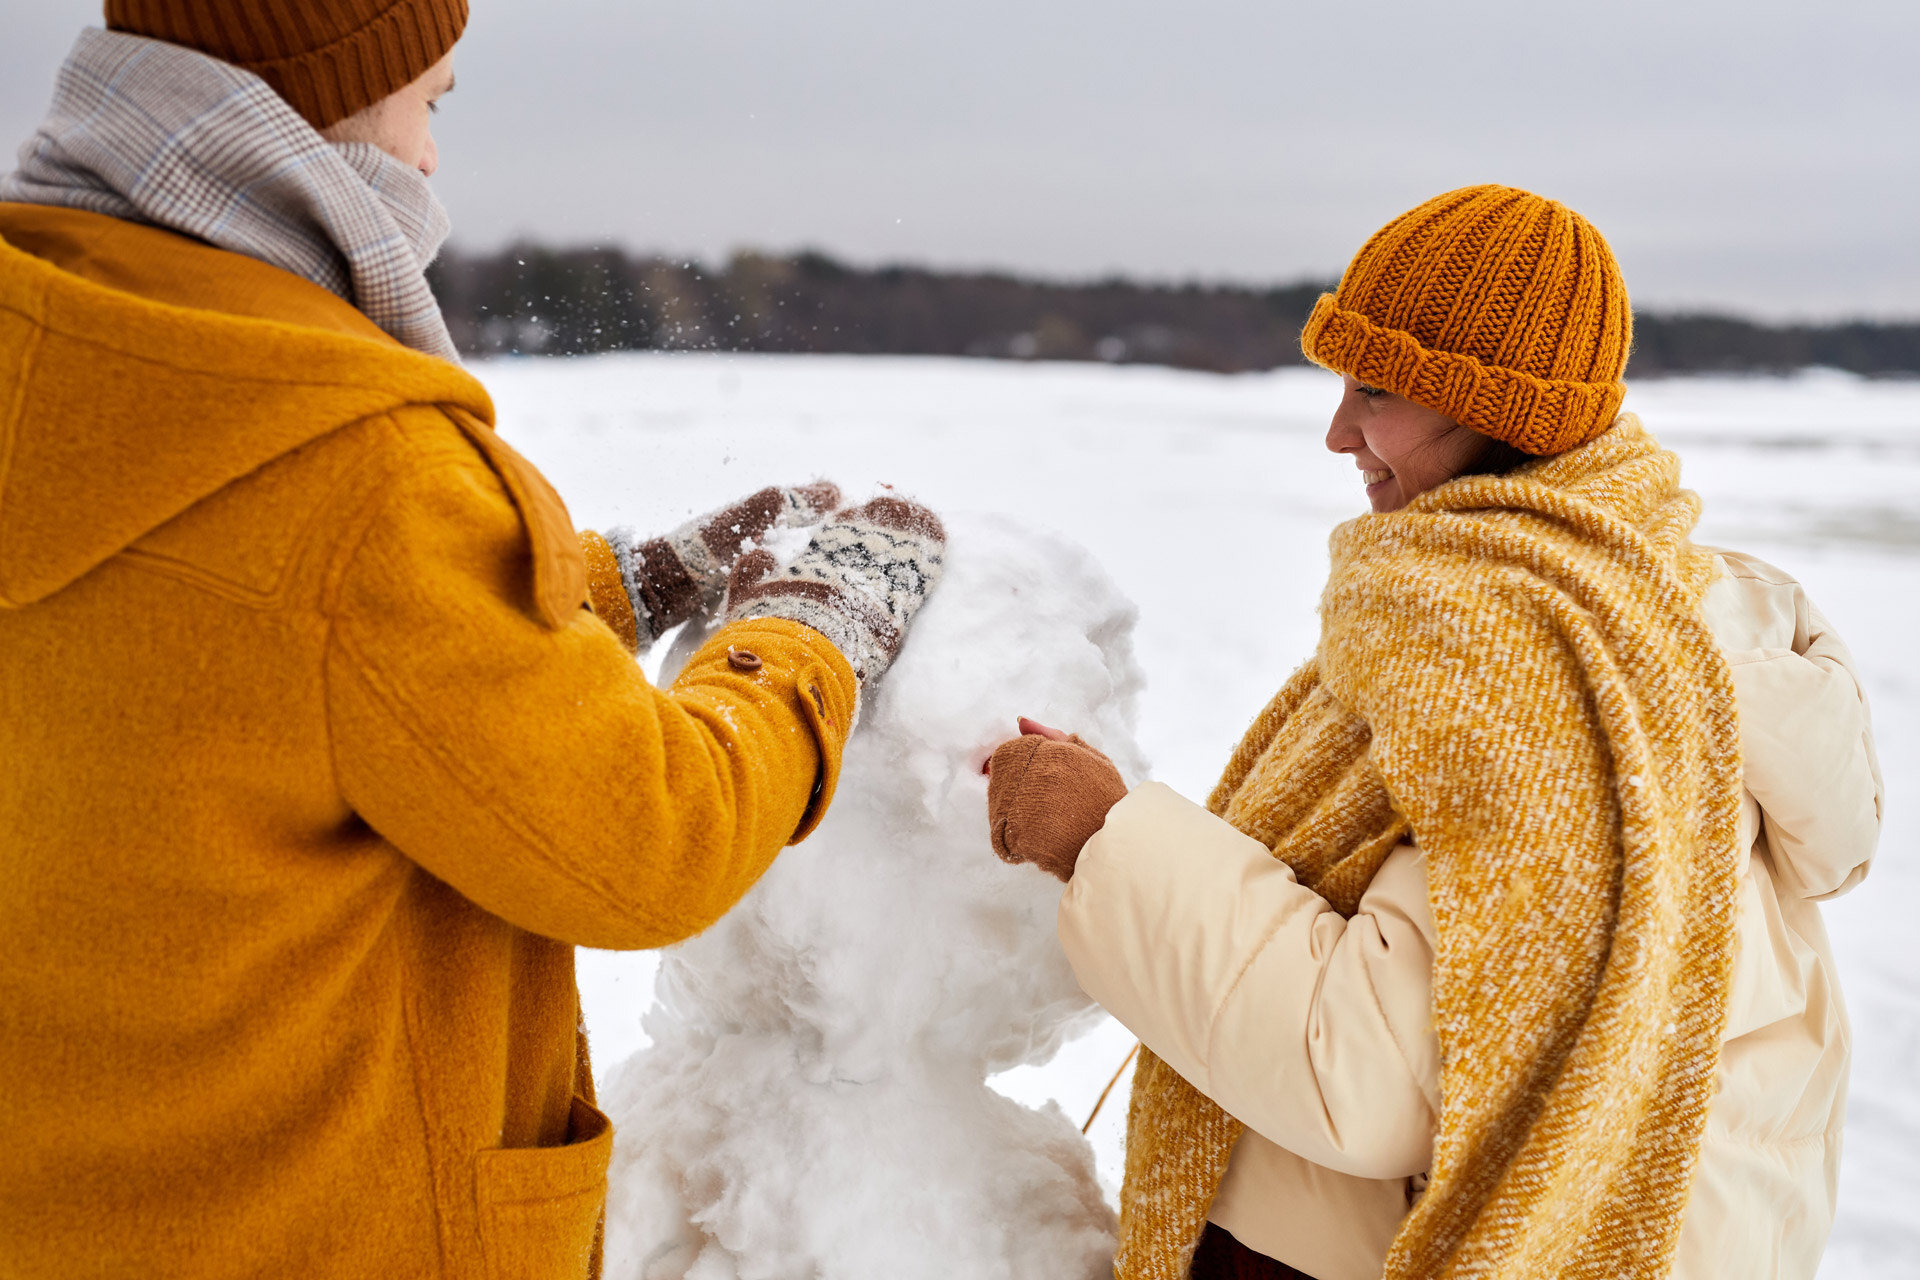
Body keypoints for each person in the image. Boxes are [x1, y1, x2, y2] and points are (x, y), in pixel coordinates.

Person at [0, 3, 944, 1276]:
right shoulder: (344, 463)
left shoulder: (62, 359)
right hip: (321, 1226)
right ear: (326, 99)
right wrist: (810, 633)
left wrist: (615, 584)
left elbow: (240, 646)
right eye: (429, 102)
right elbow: (642, 837)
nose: (433, 161)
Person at [987, 185, 1882, 1280]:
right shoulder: (1688, 606)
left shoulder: (1525, 668)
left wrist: (1104, 837)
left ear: (1496, 410)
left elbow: (1366, 1075)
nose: (1336, 431)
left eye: (1377, 388)